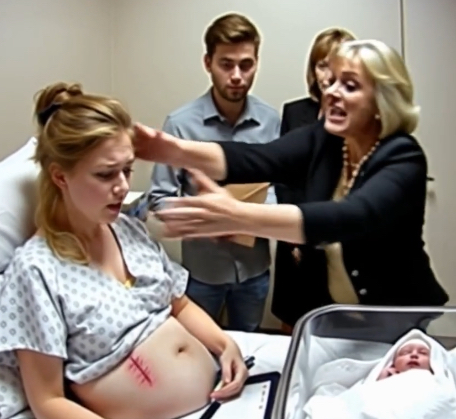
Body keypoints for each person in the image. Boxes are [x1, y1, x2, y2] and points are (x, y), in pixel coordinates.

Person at [0, 82, 249, 419]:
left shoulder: (126, 229)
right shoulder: (37, 270)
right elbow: (48, 403)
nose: (123, 187)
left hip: (213, 408)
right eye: (106, 174)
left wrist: (224, 344)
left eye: (127, 170)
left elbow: (178, 304)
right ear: (60, 177)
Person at [134, 39, 449, 315]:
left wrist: (237, 216)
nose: (331, 92)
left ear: (383, 101)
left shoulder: (402, 156)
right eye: (332, 81)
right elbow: (259, 158)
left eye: (350, 86)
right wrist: (174, 150)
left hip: (397, 313)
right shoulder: (326, 140)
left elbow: (349, 217)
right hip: (337, 314)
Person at [148, 13, 280, 333]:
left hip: (254, 270)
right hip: (202, 271)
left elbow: (282, 188)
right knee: (200, 348)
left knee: (248, 345)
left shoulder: (272, 121)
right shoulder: (180, 125)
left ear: (257, 63)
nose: (236, 76)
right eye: (226, 64)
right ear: (208, 63)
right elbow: (159, 198)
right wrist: (203, 218)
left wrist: (248, 215)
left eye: (246, 65)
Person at [275, 27, 356, 332]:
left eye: (339, 65)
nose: (329, 74)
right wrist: (293, 231)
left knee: (341, 325)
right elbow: (283, 175)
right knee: (295, 323)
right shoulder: (295, 112)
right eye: (323, 65)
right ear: (313, 69)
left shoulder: (363, 115)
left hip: (341, 237)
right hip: (294, 233)